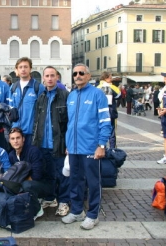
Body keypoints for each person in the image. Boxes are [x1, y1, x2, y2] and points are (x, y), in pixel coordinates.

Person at [62, 63, 112, 230]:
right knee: (75, 180)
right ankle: (76, 211)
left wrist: (101, 145)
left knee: (93, 182)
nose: (77, 75)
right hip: (74, 147)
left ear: (89, 76)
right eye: (75, 73)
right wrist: (69, 144)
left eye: (81, 73)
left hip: (91, 147)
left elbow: (105, 122)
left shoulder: (98, 94)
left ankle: (93, 214)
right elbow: (70, 123)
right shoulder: (71, 95)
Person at [32, 66, 70, 217]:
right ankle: (50, 198)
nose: (49, 78)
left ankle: (64, 201)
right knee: (48, 174)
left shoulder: (65, 96)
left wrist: (68, 144)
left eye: (52, 75)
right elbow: (37, 122)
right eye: (47, 76)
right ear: (43, 79)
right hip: (43, 143)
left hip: (58, 143)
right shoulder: (41, 97)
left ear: (57, 77)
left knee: (63, 175)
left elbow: (69, 122)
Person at [9, 57, 45, 146]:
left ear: (30, 69)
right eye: (20, 67)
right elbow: (11, 107)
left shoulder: (38, 87)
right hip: (16, 133)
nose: (23, 69)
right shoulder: (13, 87)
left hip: (31, 133)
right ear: (16, 69)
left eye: (25, 67)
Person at [8, 127, 50, 201]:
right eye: (13, 139)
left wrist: (18, 183)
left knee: (26, 185)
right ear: (9, 141)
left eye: (18, 138)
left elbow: (37, 176)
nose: (15, 141)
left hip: (42, 185)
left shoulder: (33, 151)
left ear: (23, 139)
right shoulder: (11, 155)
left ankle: (37, 208)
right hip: (24, 183)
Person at [97, 71, 120, 149]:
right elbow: (119, 95)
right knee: (112, 132)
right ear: (106, 78)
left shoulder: (97, 87)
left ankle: (102, 147)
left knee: (100, 130)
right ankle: (112, 149)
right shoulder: (111, 87)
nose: (111, 80)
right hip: (110, 111)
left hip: (99, 112)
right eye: (110, 78)